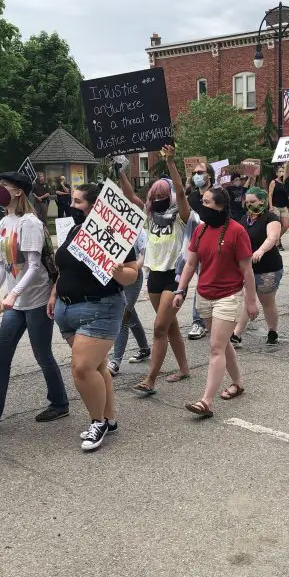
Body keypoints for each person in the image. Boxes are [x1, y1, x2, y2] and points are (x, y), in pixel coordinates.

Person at [0, 172, 69, 430]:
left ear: (18, 191)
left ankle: (60, 403)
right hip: (14, 302)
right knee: (2, 356)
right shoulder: (4, 222)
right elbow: (3, 264)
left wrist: (14, 293)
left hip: (37, 299)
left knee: (42, 355)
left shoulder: (29, 223)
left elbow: (32, 266)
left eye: (5, 186)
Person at [48, 182, 141, 451]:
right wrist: (54, 293)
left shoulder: (113, 232)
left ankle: (96, 421)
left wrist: (116, 269)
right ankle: (109, 419)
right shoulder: (74, 229)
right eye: (72, 200)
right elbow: (65, 269)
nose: (71, 205)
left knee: (82, 369)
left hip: (100, 308)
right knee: (98, 368)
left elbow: (131, 275)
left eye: (78, 201)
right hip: (67, 310)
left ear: (95, 205)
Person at [173, 186, 259, 419]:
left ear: (221, 206)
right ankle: (238, 383)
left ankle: (206, 401)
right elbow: (190, 264)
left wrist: (251, 301)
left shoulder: (237, 231)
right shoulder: (200, 230)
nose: (203, 206)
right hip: (204, 296)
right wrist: (180, 290)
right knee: (221, 344)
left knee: (215, 347)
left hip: (229, 296)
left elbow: (247, 270)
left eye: (208, 202)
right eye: (202, 201)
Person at [119, 145, 192, 396]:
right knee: (170, 327)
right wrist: (120, 171)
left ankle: (150, 380)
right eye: (154, 195)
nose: (158, 200)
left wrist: (171, 162)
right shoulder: (150, 217)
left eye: (162, 195)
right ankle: (184, 369)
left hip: (175, 276)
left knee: (160, 328)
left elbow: (182, 194)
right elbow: (130, 197)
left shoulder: (181, 217)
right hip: (154, 277)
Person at [232, 187, 283, 345]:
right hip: (248, 268)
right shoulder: (244, 219)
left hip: (268, 268)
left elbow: (272, 237)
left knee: (266, 301)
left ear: (262, 201)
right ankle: (237, 334)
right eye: (247, 202)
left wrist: (260, 251)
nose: (249, 205)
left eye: (252, 201)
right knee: (248, 299)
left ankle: (272, 331)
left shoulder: (271, 218)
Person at [108, 229, 151, 376]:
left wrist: (131, 269)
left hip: (132, 278)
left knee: (124, 314)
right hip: (114, 275)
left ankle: (116, 361)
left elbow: (142, 257)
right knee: (130, 312)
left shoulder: (140, 233)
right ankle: (144, 349)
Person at [184, 162, 216, 341]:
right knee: (199, 282)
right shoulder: (192, 198)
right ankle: (199, 321)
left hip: (212, 246)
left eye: (200, 172)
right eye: (194, 173)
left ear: (209, 174)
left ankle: (210, 318)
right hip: (194, 246)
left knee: (208, 282)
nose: (197, 175)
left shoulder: (218, 195)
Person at [268, 164, 289, 251]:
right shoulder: (273, 182)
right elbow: (270, 194)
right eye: (280, 171)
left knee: (285, 225)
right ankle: (277, 243)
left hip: (284, 206)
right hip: (275, 206)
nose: (282, 173)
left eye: (283, 171)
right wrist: (270, 206)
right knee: (277, 225)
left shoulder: (286, 183)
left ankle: (276, 239)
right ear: (277, 173)